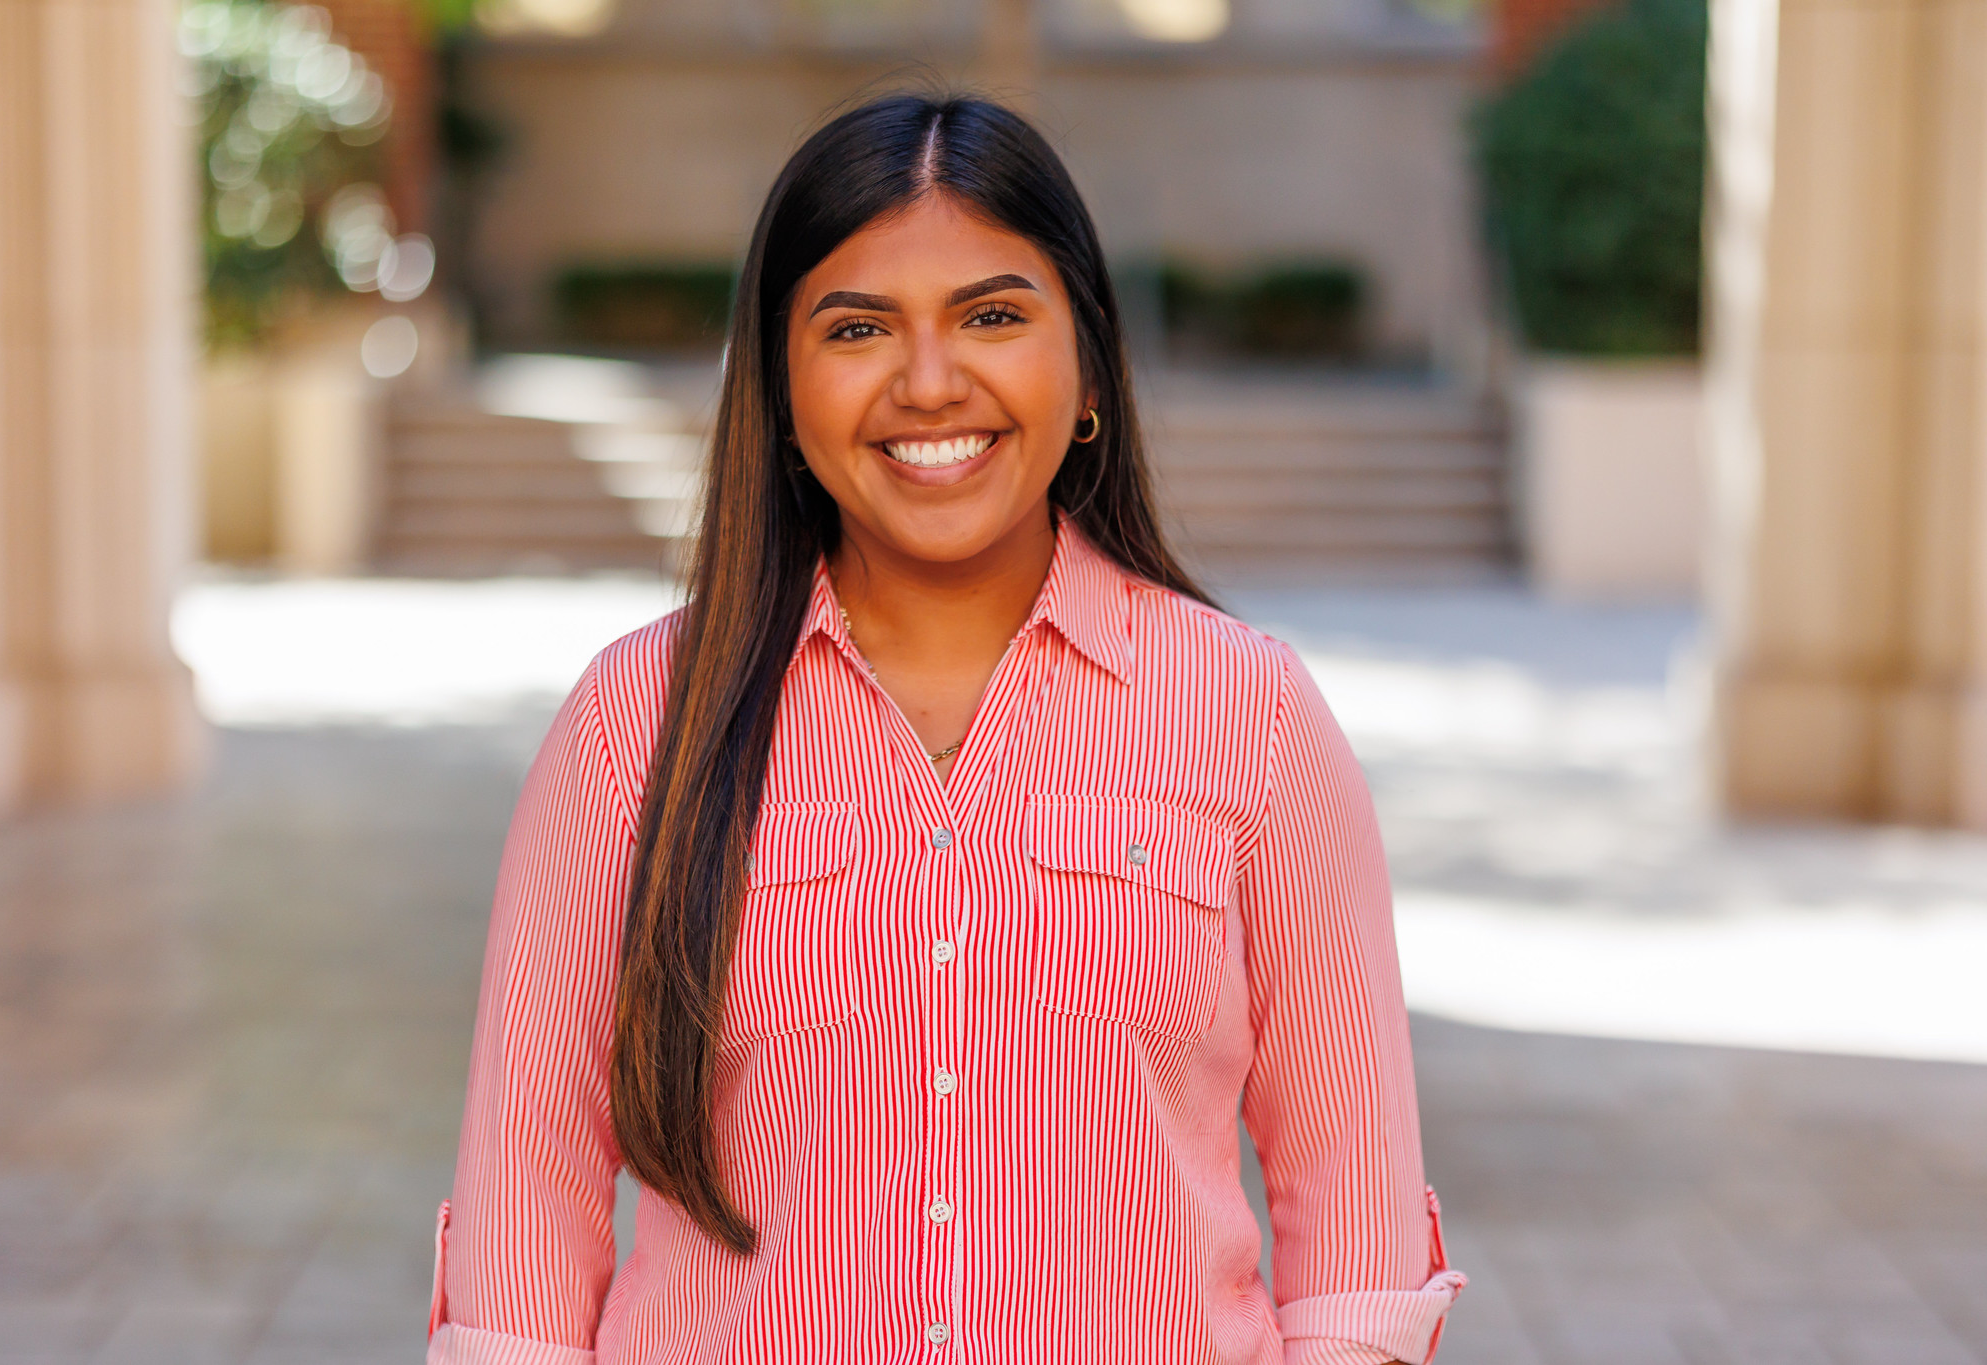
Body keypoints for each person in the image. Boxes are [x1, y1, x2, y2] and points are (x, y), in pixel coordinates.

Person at [427, 93, 1463, 1365]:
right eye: (856, 328)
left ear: (1083, 361)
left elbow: (1356, 1253)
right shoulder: (634, 726)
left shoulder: (1246, 716)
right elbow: (518, 1254)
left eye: (991, 315)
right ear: (779, 384)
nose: (928, 382)